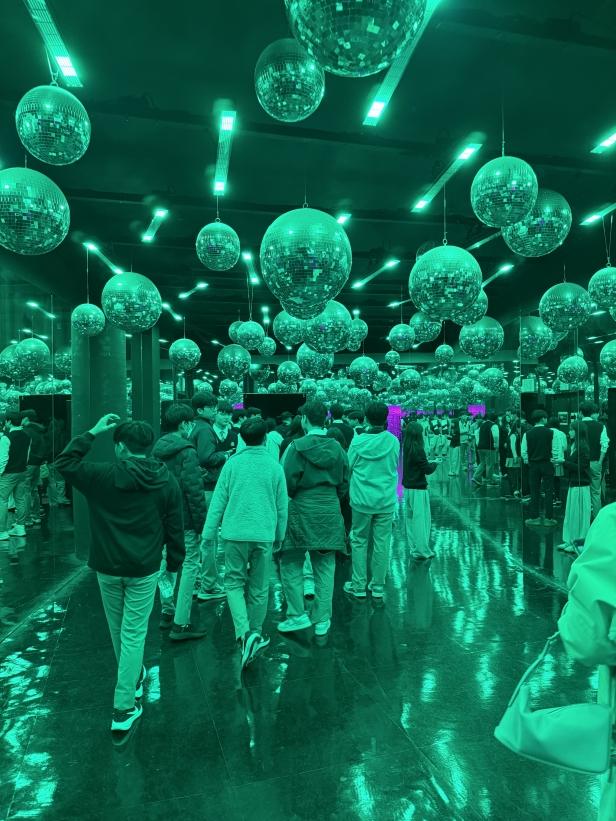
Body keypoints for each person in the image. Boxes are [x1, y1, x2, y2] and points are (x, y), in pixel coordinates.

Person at [55, 414, 184, 733]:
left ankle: (130, 689)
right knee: (134, 632)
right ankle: (124, 705)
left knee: (118, 629)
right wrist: (174, 563)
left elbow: (64, 463)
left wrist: (93, 431)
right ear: (147, 446)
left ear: (121, 447)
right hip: (144, 567)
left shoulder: (101, 475)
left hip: (108, 566)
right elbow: (174, 525)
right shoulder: (166, 479)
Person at [202, 417, 288, 668]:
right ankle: (255, 633)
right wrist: (280, 535)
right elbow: (282, 506)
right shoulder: (274, 466)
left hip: (234, 533)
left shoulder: (232, 464)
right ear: (265, 438)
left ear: (241, 438)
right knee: (260, 586)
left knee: (233, 583)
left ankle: (244, 634)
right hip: (263, 534)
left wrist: (208, 534)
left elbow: (218, 502)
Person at [277, 401, 349, 637]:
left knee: (291, 562)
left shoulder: (296, 447)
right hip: (329, 510)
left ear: (305, 420)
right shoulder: (338, 448)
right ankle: (322, 619)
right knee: (325, 565)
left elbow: (286, 482)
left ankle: (297, 614)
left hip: (300, 510)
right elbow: (344, 482)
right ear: (325, 419)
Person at [151, 404, 207, 640]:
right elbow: (194, 491)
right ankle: (181, 622)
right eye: (190, 422)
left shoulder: (157, 450)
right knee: (190, 565)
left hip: (162, 517)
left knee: (166, 563)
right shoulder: (187, 451)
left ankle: (167, 611)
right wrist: (202, 524)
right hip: (185, 520)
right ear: (184, 424)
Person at [343, 401, 400, 599]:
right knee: (382, 543)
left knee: (359, 541)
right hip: (385, 500)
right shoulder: (393, 441)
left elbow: (348, 467)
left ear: (365, 419)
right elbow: (393, 466)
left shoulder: (357, 442)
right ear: (385, 419)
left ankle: (358, 586)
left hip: (361, 500)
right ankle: (378, 586)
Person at [191, 394, 235, 601]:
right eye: (211, 407)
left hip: (195, 488)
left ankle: (197, 581)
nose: (215, 410)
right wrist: (224, 455)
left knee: (198, 538)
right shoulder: (205, 429)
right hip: (207, 488)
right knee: (208, 537)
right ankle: (208, 585)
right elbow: (206, 458)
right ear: (200, 410)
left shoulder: (194, 427)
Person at [402, 422, 439, 559]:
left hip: (408, 488)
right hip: (418, 489)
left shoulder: (407, 447)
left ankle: (414, 548)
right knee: (421, 521)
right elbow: (427, 469)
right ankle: (422, 550)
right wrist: (435, 463)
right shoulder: (418, 449)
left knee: (410, 520)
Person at [557, 421, 591, 554]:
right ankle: (570, 540)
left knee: (578, 515)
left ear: (578, 432)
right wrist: (563, 462)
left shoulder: (583, 447)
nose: (569, 432)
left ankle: (578, 541)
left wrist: (563, 462)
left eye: (572, 430)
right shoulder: (575, 446)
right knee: (571, 514)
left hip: (581, 485)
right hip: (574, 483)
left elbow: (581, 468)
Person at [521, 409, 559, 527]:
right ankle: (549, 518)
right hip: (547, 463)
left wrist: (528, 460)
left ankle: (534, 517)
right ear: (543, 419)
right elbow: (555, 449)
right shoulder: (551, 432)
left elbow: (523, 451)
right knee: (549, 490)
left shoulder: (527, 434)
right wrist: (553, 461)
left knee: (534, 491)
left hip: (533, 465)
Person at [0, 412, 31, 541]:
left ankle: (2, 531)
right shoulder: (27, 436)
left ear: (9, 421)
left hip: (8, 473)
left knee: (2, 500)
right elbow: (27, 456)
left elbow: (3, 460)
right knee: (20, 499)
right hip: (22, 472)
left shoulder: (6, 438)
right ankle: (20, 527)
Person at [580, 401, 610, 519]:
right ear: (592, 412)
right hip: (595, 462)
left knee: (581, 491)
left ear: (581, 412)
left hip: (580, 464)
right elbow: (605, 445)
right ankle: (597, 518)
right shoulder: (600, 426)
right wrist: (600, 461)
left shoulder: (576, 425)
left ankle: (583, 517)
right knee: (596, 492)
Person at [21, 409, 47, 526]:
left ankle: (27, 519)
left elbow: (25, 449)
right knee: (34, 490)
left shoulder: (27, 431)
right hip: (37, 463)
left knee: (25, 491)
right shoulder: (39, 430)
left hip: (29, 463)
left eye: (22, 418)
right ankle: (36, 515)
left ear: (26, 418)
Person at [472, 413, 499, 487]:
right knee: (490, 464)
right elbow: (496, 436)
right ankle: (489, 481)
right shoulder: (494, 425)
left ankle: (476, 477)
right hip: (489, 448)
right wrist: (496, 445)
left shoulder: (482, 425)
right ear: (495, 419)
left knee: (482, 463)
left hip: (480, 447)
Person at [549, 416, 568, 508]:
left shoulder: (547, 432)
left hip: (549, 459)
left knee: (549, 479)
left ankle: (551, 498)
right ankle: (557, 498)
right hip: (559, 459)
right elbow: (565, 448)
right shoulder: (562, 434)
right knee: (557, 479)